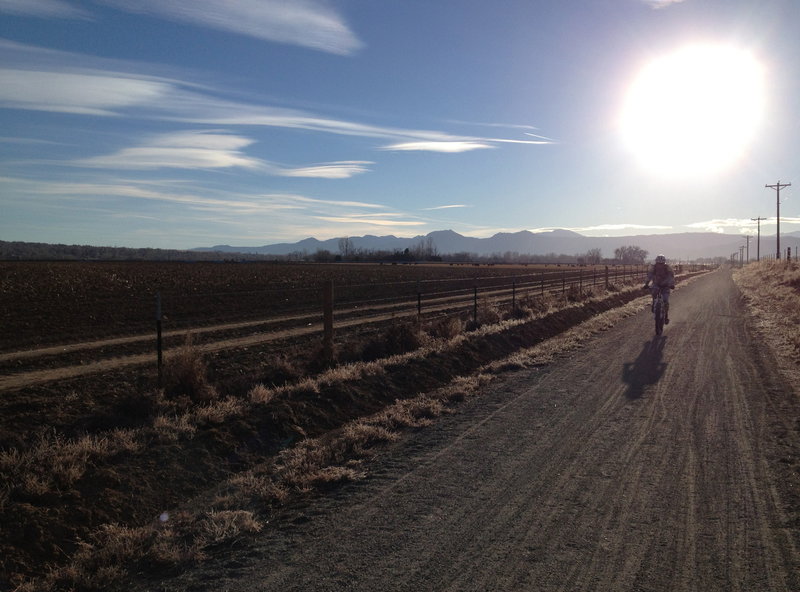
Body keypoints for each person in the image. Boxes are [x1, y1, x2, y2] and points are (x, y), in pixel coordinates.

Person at [643, 254, 675, 324]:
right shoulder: (653, 268)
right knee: (654, 294)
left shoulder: (668, 268)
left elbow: (671, 276)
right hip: (656, 284)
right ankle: (654, 303)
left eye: (661, 263)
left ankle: (666, 316)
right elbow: (649, 275)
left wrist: (671, 284)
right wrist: (646, 284)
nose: (660, 265)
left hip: (665, 286)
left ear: (664, 263)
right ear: (656, 262)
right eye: (658, 263)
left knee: (666, 300)